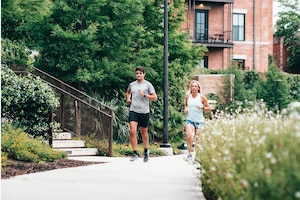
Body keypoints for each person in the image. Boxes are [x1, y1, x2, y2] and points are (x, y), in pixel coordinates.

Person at [126, 66, 158, 162]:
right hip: (133, 110)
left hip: (144, 111)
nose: (138, 75)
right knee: (132, 130)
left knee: (144, 132)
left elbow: (155, 97)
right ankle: (135, 153)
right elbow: (128, 92)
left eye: (140, 73)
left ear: (144, 74)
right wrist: (128, 98)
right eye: (137, 73)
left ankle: (145, 150)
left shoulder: (148, 85)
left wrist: (144, 95)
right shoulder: (132, 84)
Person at [184, 80, 210, 162]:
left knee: (197, 139)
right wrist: (186, 109)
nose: (194, 88)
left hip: (199, 121)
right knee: (188, 135)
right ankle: (189, 154)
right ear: (190, 88)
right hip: (190, 119)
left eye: (195, 86)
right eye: (192, 86)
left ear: (198, 88)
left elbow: (208, 108)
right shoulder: (188, 97)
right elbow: (186, 105)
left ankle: (197, 155)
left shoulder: (201, 97)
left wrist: (202, 108)